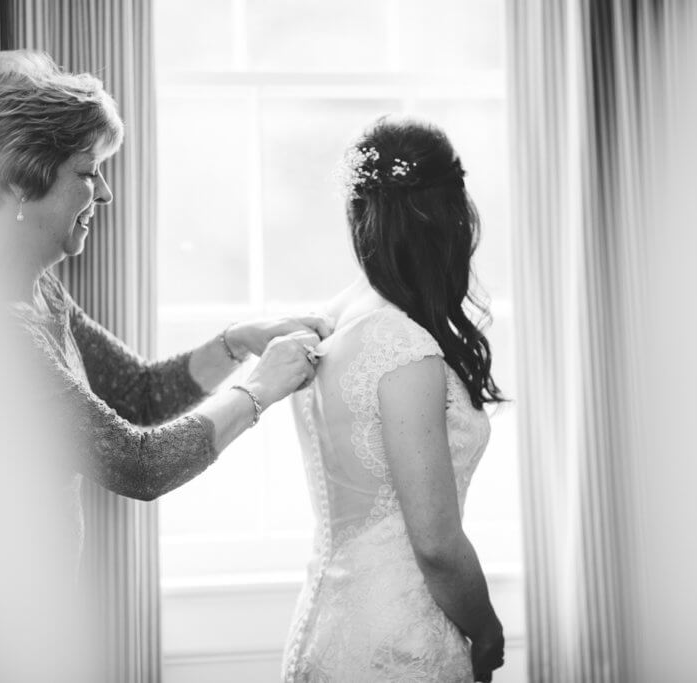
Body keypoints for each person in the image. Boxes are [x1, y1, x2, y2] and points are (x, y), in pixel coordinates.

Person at [0, 49, 330, 560]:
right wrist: (260, 389)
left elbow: (139, 392)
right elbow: (139, 465)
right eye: (87, 172)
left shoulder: (42, 293)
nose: (104, 192)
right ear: (20, 179)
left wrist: (240, 341)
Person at [281, 117, 505, 682]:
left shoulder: (334, 317)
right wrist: (486, 627)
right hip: (398, 644)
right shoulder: (403, 345)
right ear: (448, 219)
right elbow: (435, 544)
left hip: (326, 626)